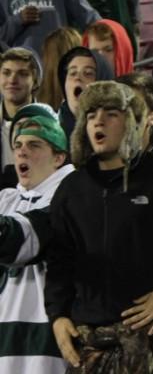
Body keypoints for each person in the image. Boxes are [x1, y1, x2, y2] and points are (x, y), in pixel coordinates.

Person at [45, 82, 153, 371]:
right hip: (93, 345)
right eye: (91, 114)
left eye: (111, 113)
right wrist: (58, 316)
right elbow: (59, 262)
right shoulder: (71, 189)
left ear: (132, 120)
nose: (99, 121)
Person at [0, 104, 74, 373]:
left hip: (46, 341)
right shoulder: (6, 199)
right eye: (18, 143)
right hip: (5, 337)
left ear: (58, 157)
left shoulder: (70, 195)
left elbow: (21, 240)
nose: (21, 150)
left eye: (34, 145)